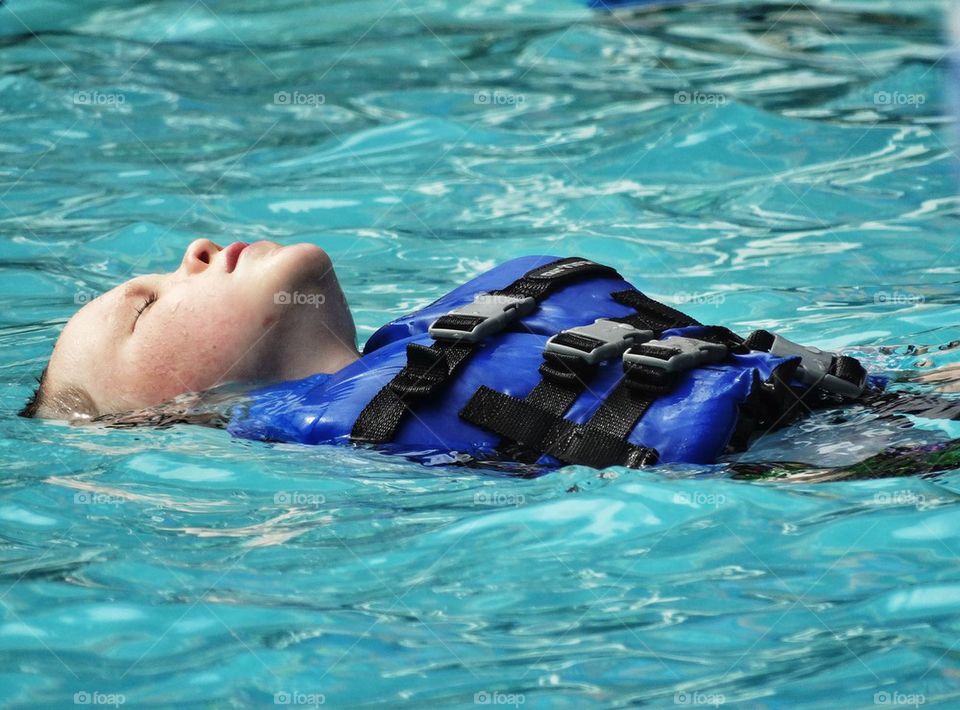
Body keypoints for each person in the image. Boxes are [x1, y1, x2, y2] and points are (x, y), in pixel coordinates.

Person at [18, 239, 956, 475]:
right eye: (142, 309)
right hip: (828, 469)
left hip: (887, 396)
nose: (185, 257)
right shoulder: (340, 451)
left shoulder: (462, 323)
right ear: (161, 416)